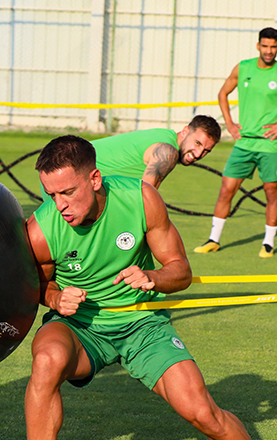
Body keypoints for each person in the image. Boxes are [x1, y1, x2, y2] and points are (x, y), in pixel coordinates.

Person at [24, 135, 250, 440]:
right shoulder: (42, 229)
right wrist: (54, 297)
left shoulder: (141, 199)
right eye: (52, 195)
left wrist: (152, 277)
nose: (60, 205)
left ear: (94, 179)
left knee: (204, 414)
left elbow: (181, 271)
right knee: (47, 360)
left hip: (142, 322)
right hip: (80, 326)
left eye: (67, 192)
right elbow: (34, 285)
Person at [195, 27, 277, 258]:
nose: (268, 51)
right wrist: (229, 123)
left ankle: (268, 243)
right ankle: (214, 240)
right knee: (225, 191)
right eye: (265, 46)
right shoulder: (243, 68)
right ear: (258, 45)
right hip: (244, 145)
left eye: (273, 47)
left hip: (269, 147)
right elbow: (223, 93)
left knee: (271, 193)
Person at [92, 115, 221, 189]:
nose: (198, 154)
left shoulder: (164, 135)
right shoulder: (168, 152)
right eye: (197, 143)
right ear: (185, 131)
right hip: (80, 174)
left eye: (206, 151)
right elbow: (145, 202)